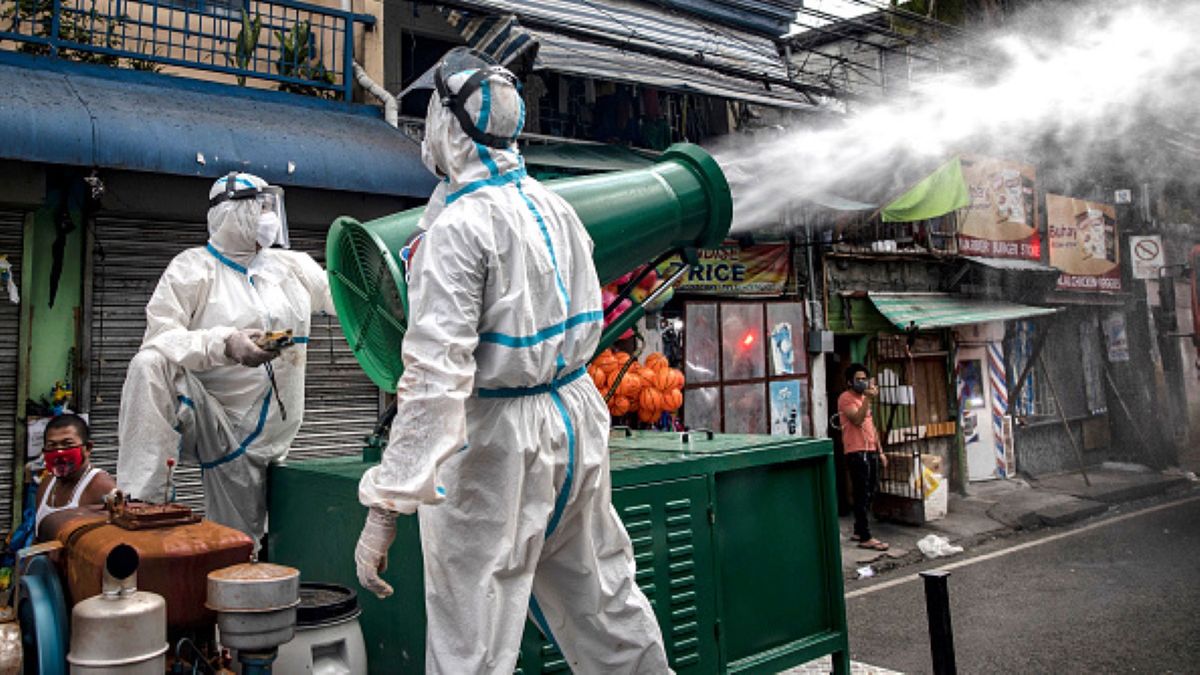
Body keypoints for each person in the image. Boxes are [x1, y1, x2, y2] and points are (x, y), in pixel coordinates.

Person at [353, 49, 670, 673]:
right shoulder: (555, 207)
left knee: (472, 637)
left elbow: (434, 379)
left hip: (497, 447)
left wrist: (386, 506)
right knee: (605, 603)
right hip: (575, 420)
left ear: (449, 125)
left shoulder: (458, 231)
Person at [116, 172, 334, 546]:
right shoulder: (192, 268)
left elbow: (344, 297)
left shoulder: (292, 266)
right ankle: (143, 502)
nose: (270, 218)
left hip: (271, 433)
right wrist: (225, 343)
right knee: (149, 365)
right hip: (215, 419)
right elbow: (161, 336)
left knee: (239, 548)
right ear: (232, 213)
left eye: (271, 208)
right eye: (261, 208)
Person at [36, 414, 116, 538]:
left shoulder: (101, 485)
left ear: (88, 448)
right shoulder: (47, 484)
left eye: (67, 444)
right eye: (52, 445)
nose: (59, 452)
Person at [838, 363, 889, 551]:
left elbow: (871, 427)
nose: (862, 382)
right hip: (856, 451)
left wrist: (880, 451)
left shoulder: (863, 399)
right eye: (858, 379)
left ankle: (859, 530)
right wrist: (868, 398)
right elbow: (857, 419)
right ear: (850, 382)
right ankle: (865, 536)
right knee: (861, 493)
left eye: (864, 379)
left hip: (870, 449)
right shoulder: (846, 398)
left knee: (871, 491)